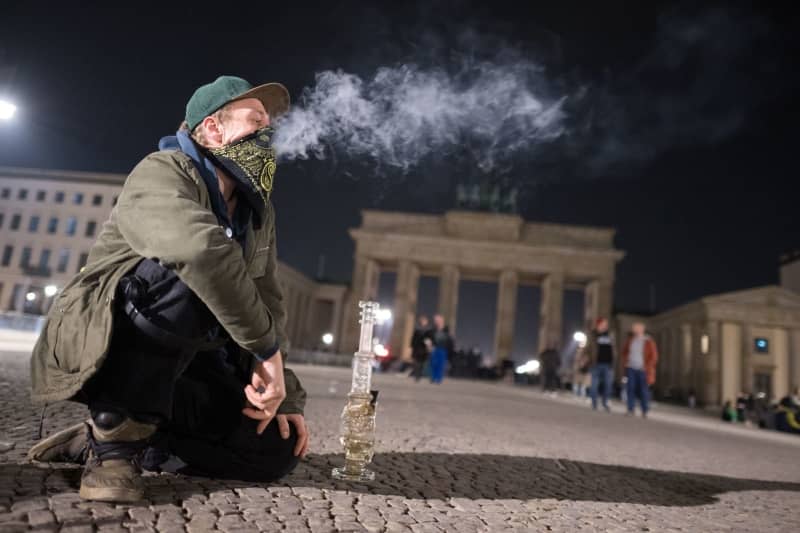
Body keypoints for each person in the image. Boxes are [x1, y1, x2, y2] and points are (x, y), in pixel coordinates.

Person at [27, 76, 309, 502]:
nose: (268, 135)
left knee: (273, 449)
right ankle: (113, 443)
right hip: (106, 334)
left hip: (188, 355)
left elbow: (269, 298)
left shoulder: (257, 211)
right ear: (213, 129)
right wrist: (265, 351)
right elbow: (198, 251)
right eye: (256, 121)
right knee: (195, 267)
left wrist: (282, 388)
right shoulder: (162, 171)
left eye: (270, 125)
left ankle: (137, 435)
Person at [620, 322, 659, 418]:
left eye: (636, 328)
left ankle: (644, 410)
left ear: (642, 329)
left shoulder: (648, 341)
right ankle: (630, 409)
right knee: (630, 389)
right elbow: (624, 352)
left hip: (643, 370)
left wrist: (646, 366)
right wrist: (626, 362)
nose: (634, 330)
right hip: (631, 368)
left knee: (644, 390)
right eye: (634, 328)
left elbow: (654, 357)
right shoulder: (630, 340)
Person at [588, 317, 615, 412]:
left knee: (608, 385)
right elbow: (589, 348)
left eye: (606, 324)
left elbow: (614, 349)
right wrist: (587, 359)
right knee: (594, 384)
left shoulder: (610, 334)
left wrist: (614, 361)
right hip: (596, 363)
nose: (605, 325)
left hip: (608, 363)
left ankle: (605, 402)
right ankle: (594, 402)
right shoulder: (593, 334)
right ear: (598, 324)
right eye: (603, 324)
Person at [429, 314, 454, 384]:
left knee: (440, 364)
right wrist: (430, 346)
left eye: (437, 320)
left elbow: (450, 339)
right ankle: (433, 377)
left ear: (442, 320)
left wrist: (450, 349)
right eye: (435, 320)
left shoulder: (446, 329)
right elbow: (430, 338)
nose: (436, 321)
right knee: (434, 363)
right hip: (434, 348)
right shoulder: (433, 329)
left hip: (443, 348)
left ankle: (438, 379)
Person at [410, 315, 432, 381]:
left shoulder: (428, 331)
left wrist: (429, 347)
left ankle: (419, 375)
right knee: (416, 362)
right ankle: (417, 375)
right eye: (422, 321)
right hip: (417, 348)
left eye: (424, 321)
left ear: (426, 322)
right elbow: (413, 339)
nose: (423, 322)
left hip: (424, 349)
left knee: (422, 362)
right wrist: (411, 346)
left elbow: (430, 340)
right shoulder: (417, 330)